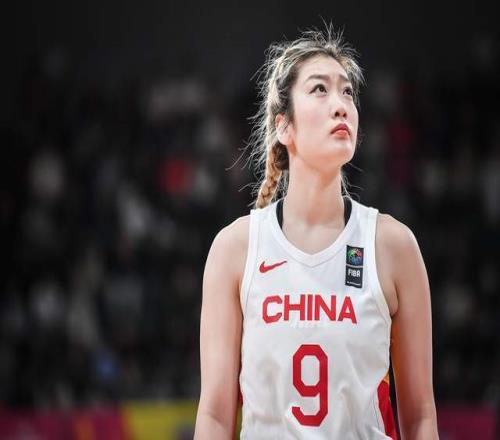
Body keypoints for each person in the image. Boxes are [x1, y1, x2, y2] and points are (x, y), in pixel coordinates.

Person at [194, 24, 438, 439]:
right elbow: (216, 416)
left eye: (347, 92)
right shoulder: (235, 249)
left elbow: (419, 418)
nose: (341, 105)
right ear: (284, 127)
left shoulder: (393, 246)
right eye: (320, 89)